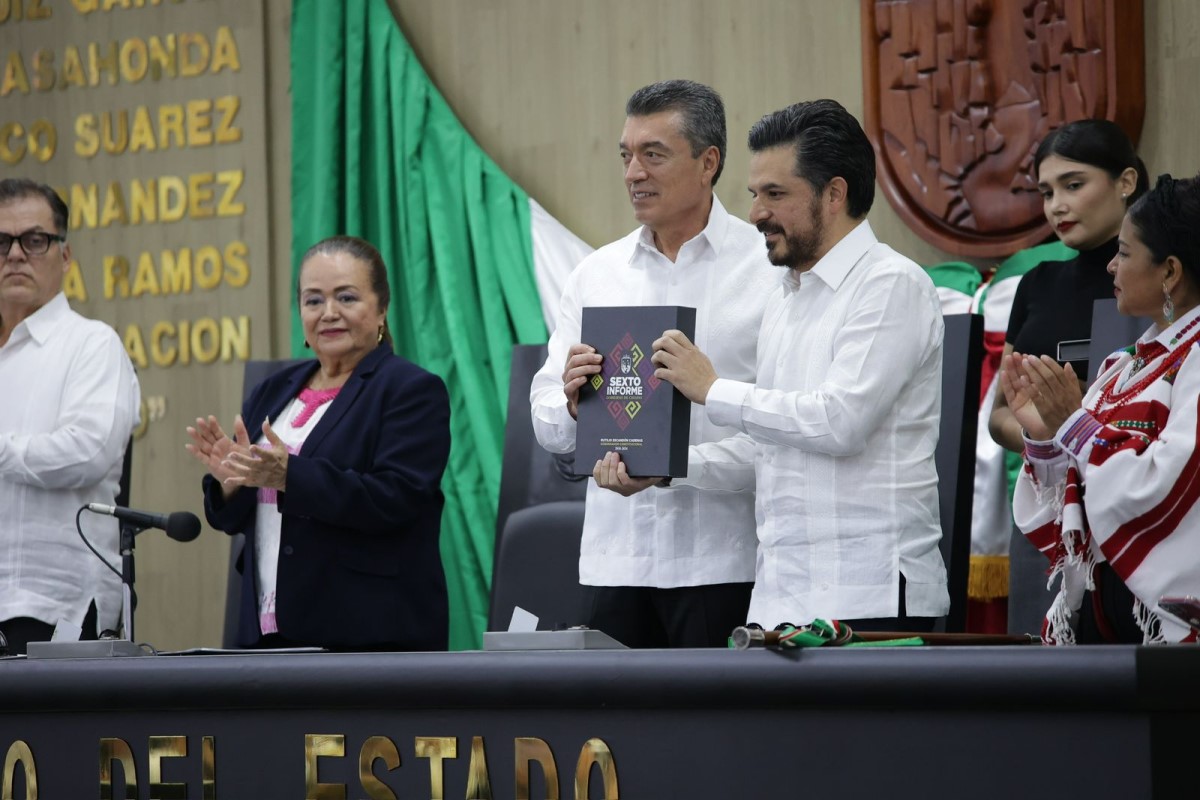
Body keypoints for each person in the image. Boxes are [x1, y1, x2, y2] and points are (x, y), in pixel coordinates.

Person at [597, 99, 949, 632]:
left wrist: (712, 389)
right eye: (755, 194)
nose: (757, 212)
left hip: (871, 593)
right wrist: (667, 467)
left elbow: (839, 422)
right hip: (778, 598)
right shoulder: (785, 297)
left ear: (835, 194)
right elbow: (767, 451)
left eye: (776, 194)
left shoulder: (890, 284)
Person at [529, 79, 776, 648]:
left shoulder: (767, 272)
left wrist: (675, 465)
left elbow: (781, 434)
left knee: (715, 736)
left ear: (708, 162)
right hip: (616, 562)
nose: (633, 173)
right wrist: (571, 404)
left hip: (726, 561)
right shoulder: (597, 274)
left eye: (653, 155)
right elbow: (546, 423)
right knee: (615, 737)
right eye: (626, 156)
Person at [188, 236, 451, 651]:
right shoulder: (273, 391)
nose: (329, 313)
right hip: (268, 633)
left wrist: (289, 474)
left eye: (346, 297)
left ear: (381, 308)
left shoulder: (411, 390)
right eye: (313, 301)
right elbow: (239, 520)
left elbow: (396, 499)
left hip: (367, 636)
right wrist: (233, 482)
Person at [1003, 172, 1200, 644]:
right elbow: (1078, 494)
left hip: (1164, 626)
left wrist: (1073, 424)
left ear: (1170, 271)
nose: (1111, 267)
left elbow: (1172, 482)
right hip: (1106, 611)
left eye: (1125, 253)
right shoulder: (1122, 366)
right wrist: (1046, 437)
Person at [987, 120, 1150, 635]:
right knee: (1041, 680)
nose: (1056, 204)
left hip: (1136, 503)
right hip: (1049, 504)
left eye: (1073, 185)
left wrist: (1081, 421)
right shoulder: (1036, 283)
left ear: (1125, 181)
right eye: (1046, 191)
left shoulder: (1162, 278)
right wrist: (1047, 431)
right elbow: (999, 416)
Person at [0, 178, 140, 655]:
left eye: (34, 240)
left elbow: (87, 452)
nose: (15, 254)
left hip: (60, 604)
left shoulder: (92, 344)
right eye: (2, 242)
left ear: (64, 255)